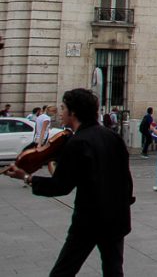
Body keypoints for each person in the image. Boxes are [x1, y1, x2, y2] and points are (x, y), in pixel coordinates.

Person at [4, 88, 133, 276]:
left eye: (63, 108)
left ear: (73, 113)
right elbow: (125, 178)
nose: (61, 112)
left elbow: (60, 186)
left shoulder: (77, 143)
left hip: (89, 220)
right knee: (113, 270)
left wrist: (26, 177)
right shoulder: (112, 137)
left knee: (64, 270)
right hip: (116, 217)